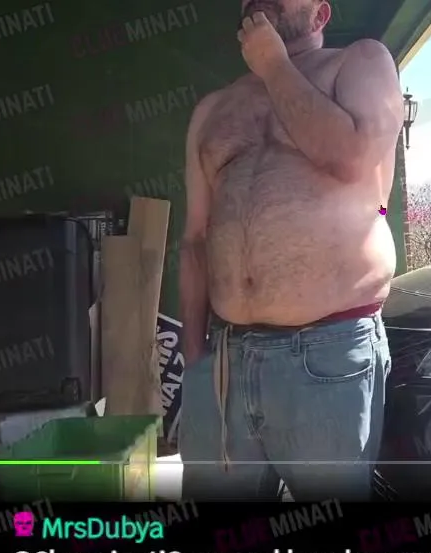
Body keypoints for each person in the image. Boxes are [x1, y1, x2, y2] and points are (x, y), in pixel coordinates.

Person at [178, 0, 404, 500]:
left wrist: (275, 66)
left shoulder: (361, 62)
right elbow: (194, 240)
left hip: (328, 352)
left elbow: (352, 158)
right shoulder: (213, 110)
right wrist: (195, 359)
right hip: (225, 358)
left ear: (320, 15)